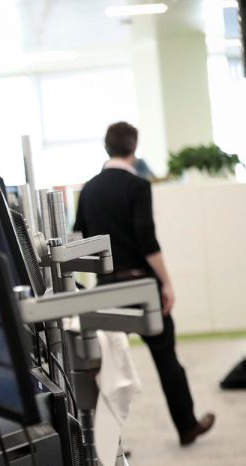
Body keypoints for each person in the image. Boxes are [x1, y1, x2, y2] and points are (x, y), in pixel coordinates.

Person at [74, 121, 215, 447]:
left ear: (107, 147)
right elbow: (146, 239)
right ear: (134, 148)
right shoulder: (137, 186)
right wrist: (166, 282)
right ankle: (187, 426)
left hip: (106, 289)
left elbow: (82, 235)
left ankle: (107, 444)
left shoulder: (89, 189)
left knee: (104, 368)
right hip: (140, 287)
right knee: (167, 359)